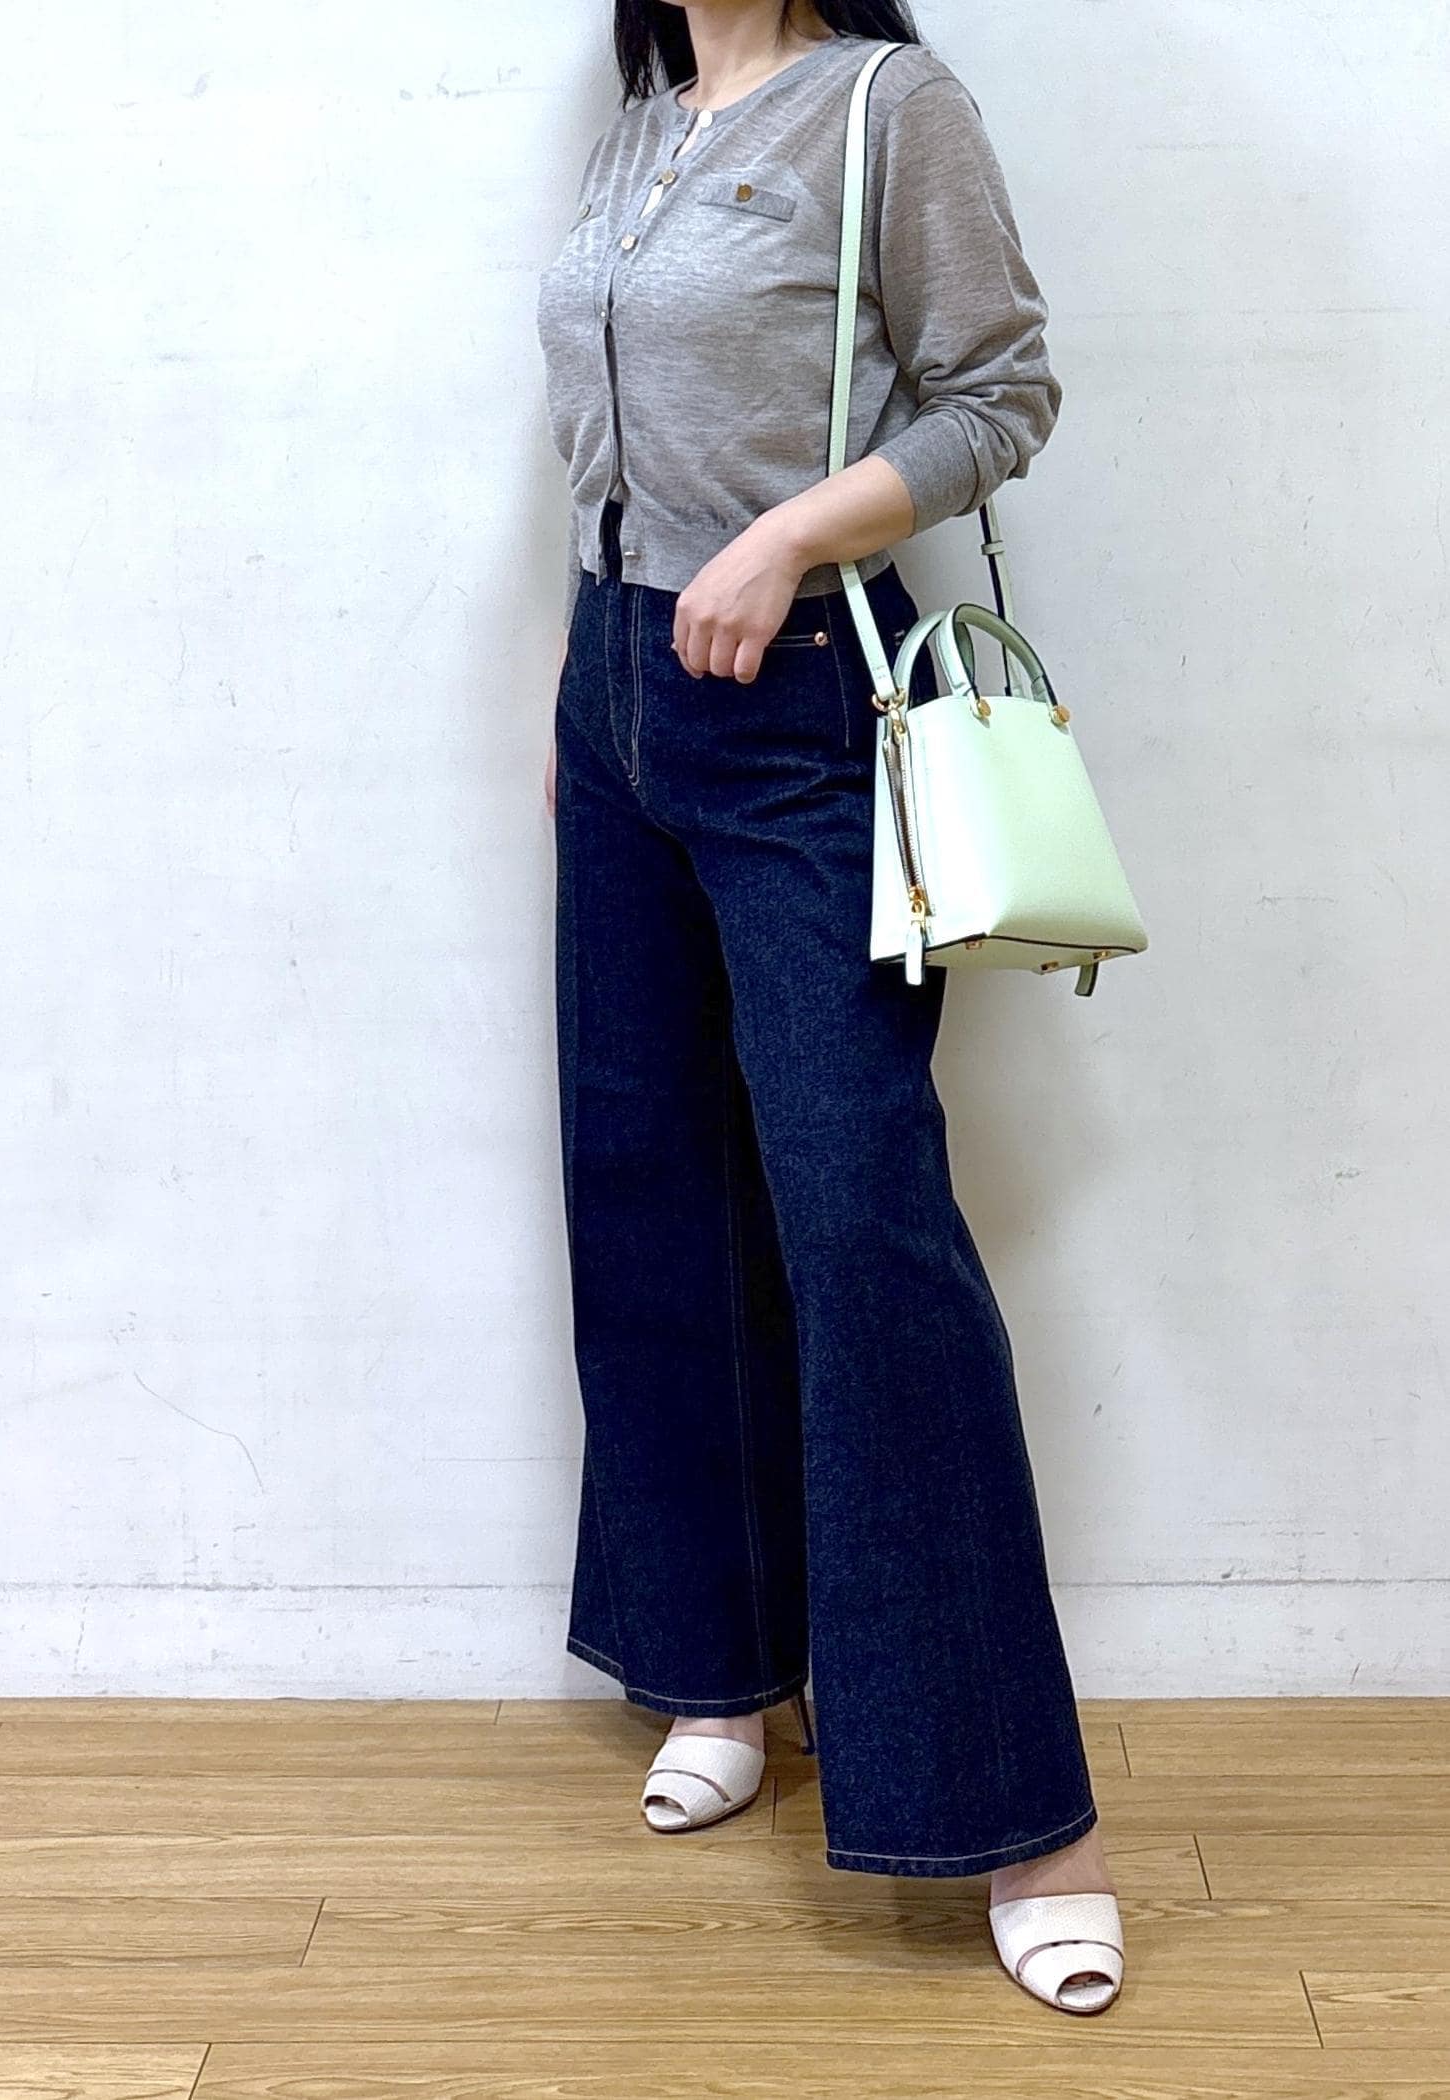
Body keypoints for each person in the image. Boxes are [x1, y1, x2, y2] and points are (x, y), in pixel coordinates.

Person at [534, 0, 1125, 2016]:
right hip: (619, 693)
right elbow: (612, 426)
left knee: (864, 1225)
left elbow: (1000, 392)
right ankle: (718, 1667)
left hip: (802, 698)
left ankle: (1019, 1818)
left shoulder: (887, 105)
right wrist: (589, 681)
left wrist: (784, 535)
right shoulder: (636, 122)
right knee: (649, 1189)